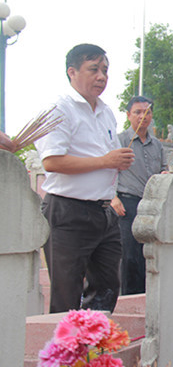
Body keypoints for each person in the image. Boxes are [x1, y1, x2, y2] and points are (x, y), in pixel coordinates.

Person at [35, 43, 135, 313]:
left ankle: (95, 338)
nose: (102, 77)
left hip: (104, 211)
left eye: (105, 70)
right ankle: (66, 341)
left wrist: (117, 163)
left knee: (108, 286)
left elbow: (105, 157)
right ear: (72, 72)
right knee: (66, 293)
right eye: (94, 69)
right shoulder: (58, 109)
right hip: (68, 211)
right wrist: (106, 161)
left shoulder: (106, 112)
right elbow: (52, 161)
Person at [111, 96, 168, 294]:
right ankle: (129, 299)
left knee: (150, 252)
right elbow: (108, 171)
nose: (143, 116)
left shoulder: (157, 145)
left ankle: (147, 297)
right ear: (128, 115)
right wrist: (113, 197)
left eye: (147, 112)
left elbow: (163, 169)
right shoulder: (119, 141)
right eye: (138, 112)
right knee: (129, 255)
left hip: (151, 205)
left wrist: (165, 175)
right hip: (127, 203)